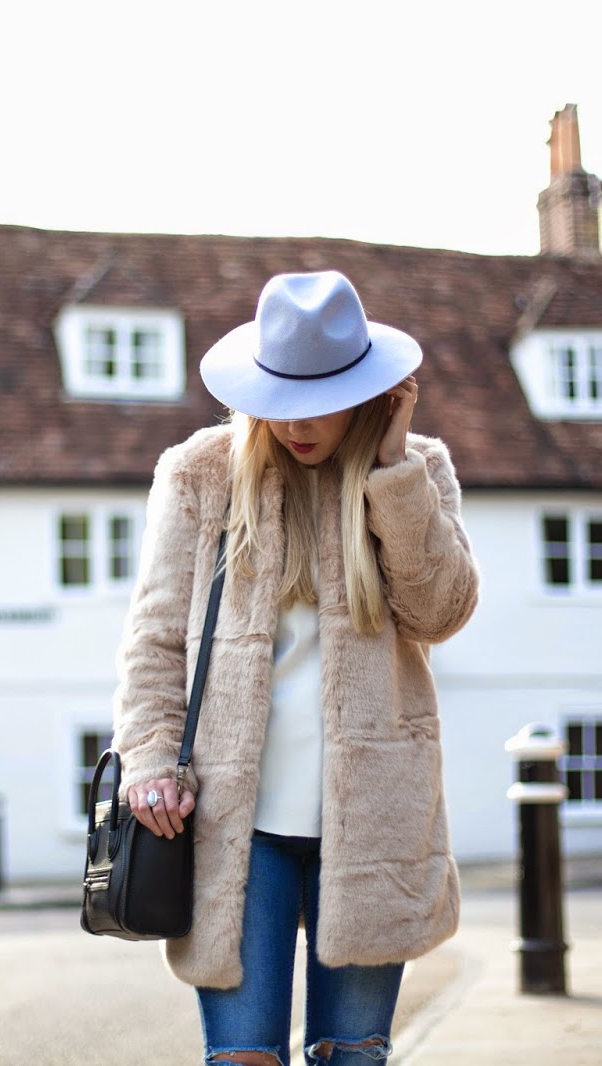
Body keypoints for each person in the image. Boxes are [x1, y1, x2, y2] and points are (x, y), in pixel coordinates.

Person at [111, 270, 479, 1066]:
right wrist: (148, 762)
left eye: (322, 399)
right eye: (281, 399)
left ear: (371, 391)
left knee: (354, 1055)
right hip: (233, 824)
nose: (298, 423)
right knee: (242, 1057)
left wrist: (392, 474)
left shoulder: (419, 471)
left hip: (377, 822)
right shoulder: (201, 474)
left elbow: (441, 613)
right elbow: (155, 639)